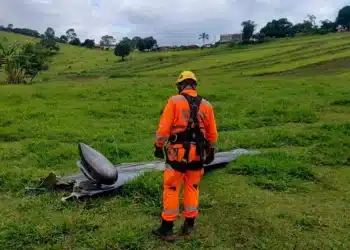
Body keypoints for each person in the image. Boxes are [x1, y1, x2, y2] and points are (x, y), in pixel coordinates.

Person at [152, 71, 218, 241]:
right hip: (198, 154)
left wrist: (159, 146)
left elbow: (163, 130)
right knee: (192, 187)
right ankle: (189, 226)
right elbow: (212, 134)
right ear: (194, 85)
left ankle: (166, 229)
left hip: (176, 154)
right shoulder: (207, 105)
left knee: (172, 187)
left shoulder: (174, 101)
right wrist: (211, 150)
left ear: (180, 86)